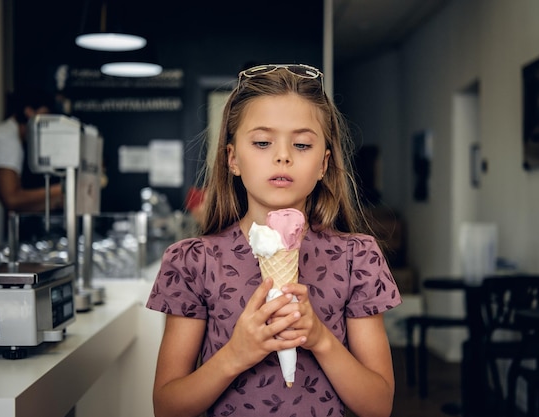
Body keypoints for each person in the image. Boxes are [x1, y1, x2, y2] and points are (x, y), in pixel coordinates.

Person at [146, 64, 402, 417]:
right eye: (263, 142)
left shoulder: (357, 257)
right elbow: (167, 407)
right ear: (232, 158)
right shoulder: (192, 261)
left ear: (323, 164)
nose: (283, 156)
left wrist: (320, 339)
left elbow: (378, 406)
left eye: (301, 144)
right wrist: (236, 354)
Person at [0, 88, 63, 213]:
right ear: (29, 112)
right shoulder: (6, 140)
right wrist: (63, 188)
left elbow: (18, 205)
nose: (48, 124)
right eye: (45, 116)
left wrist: (55, 201)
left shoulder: (11, 137)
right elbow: (12, 200)